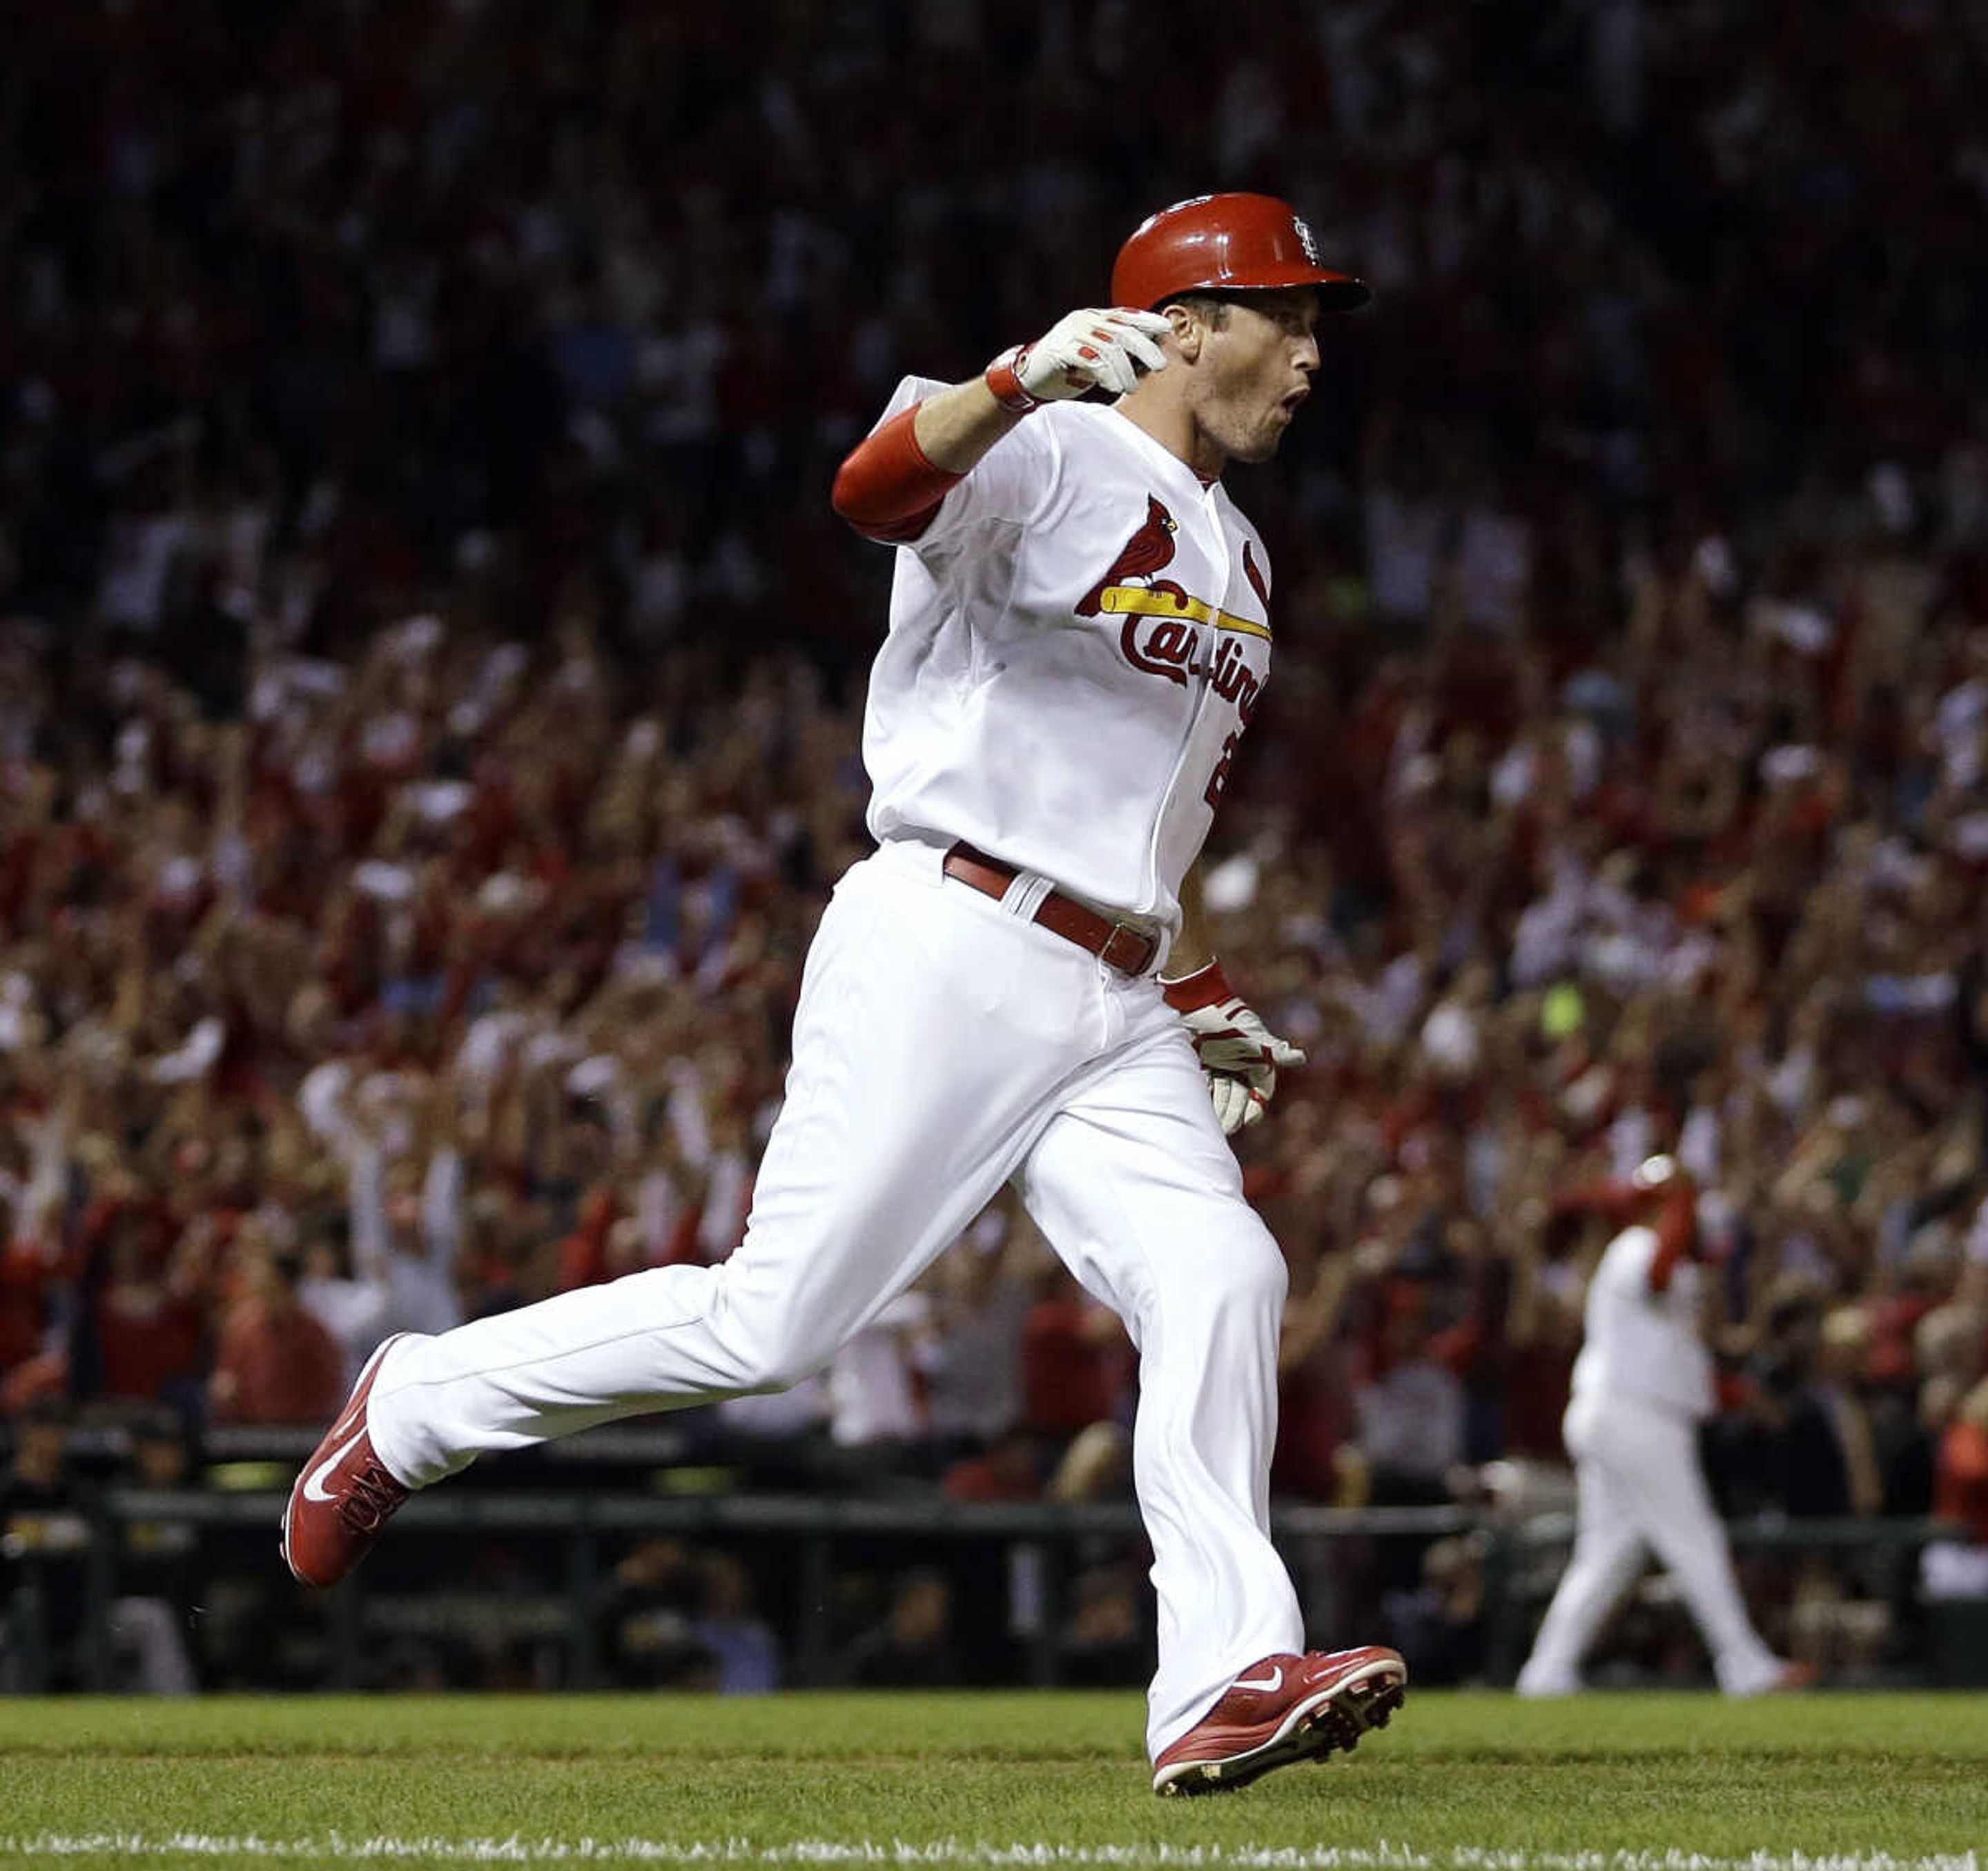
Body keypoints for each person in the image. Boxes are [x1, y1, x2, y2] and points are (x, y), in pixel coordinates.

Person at [280, 193, 1405, 1795]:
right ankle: (417, 1400)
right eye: (1283, 318)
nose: (1307, 356)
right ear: (1186, 323)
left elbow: (1127, 806)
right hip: (953, 933)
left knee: (1222, 1272)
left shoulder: (1241, 547)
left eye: (1313, 325)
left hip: (1112, 990)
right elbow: (869, 490)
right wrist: (1019, 379)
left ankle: (1219, 1674)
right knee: (776, 1324)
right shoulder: (1050, 441)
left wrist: (1192, 978)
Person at [1516, 1160, 1806, 1698]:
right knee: (1693, 1537)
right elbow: (1659, 1273)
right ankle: (1743, 1663)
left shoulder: (1667, 1263)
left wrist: (1739, 1394)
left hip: (1620, 1412)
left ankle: (1547, 1671)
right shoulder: (1635, 1247)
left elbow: (1676, 1353)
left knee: (1609, 1553)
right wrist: (1678, 1197)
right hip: (1632, 1415)